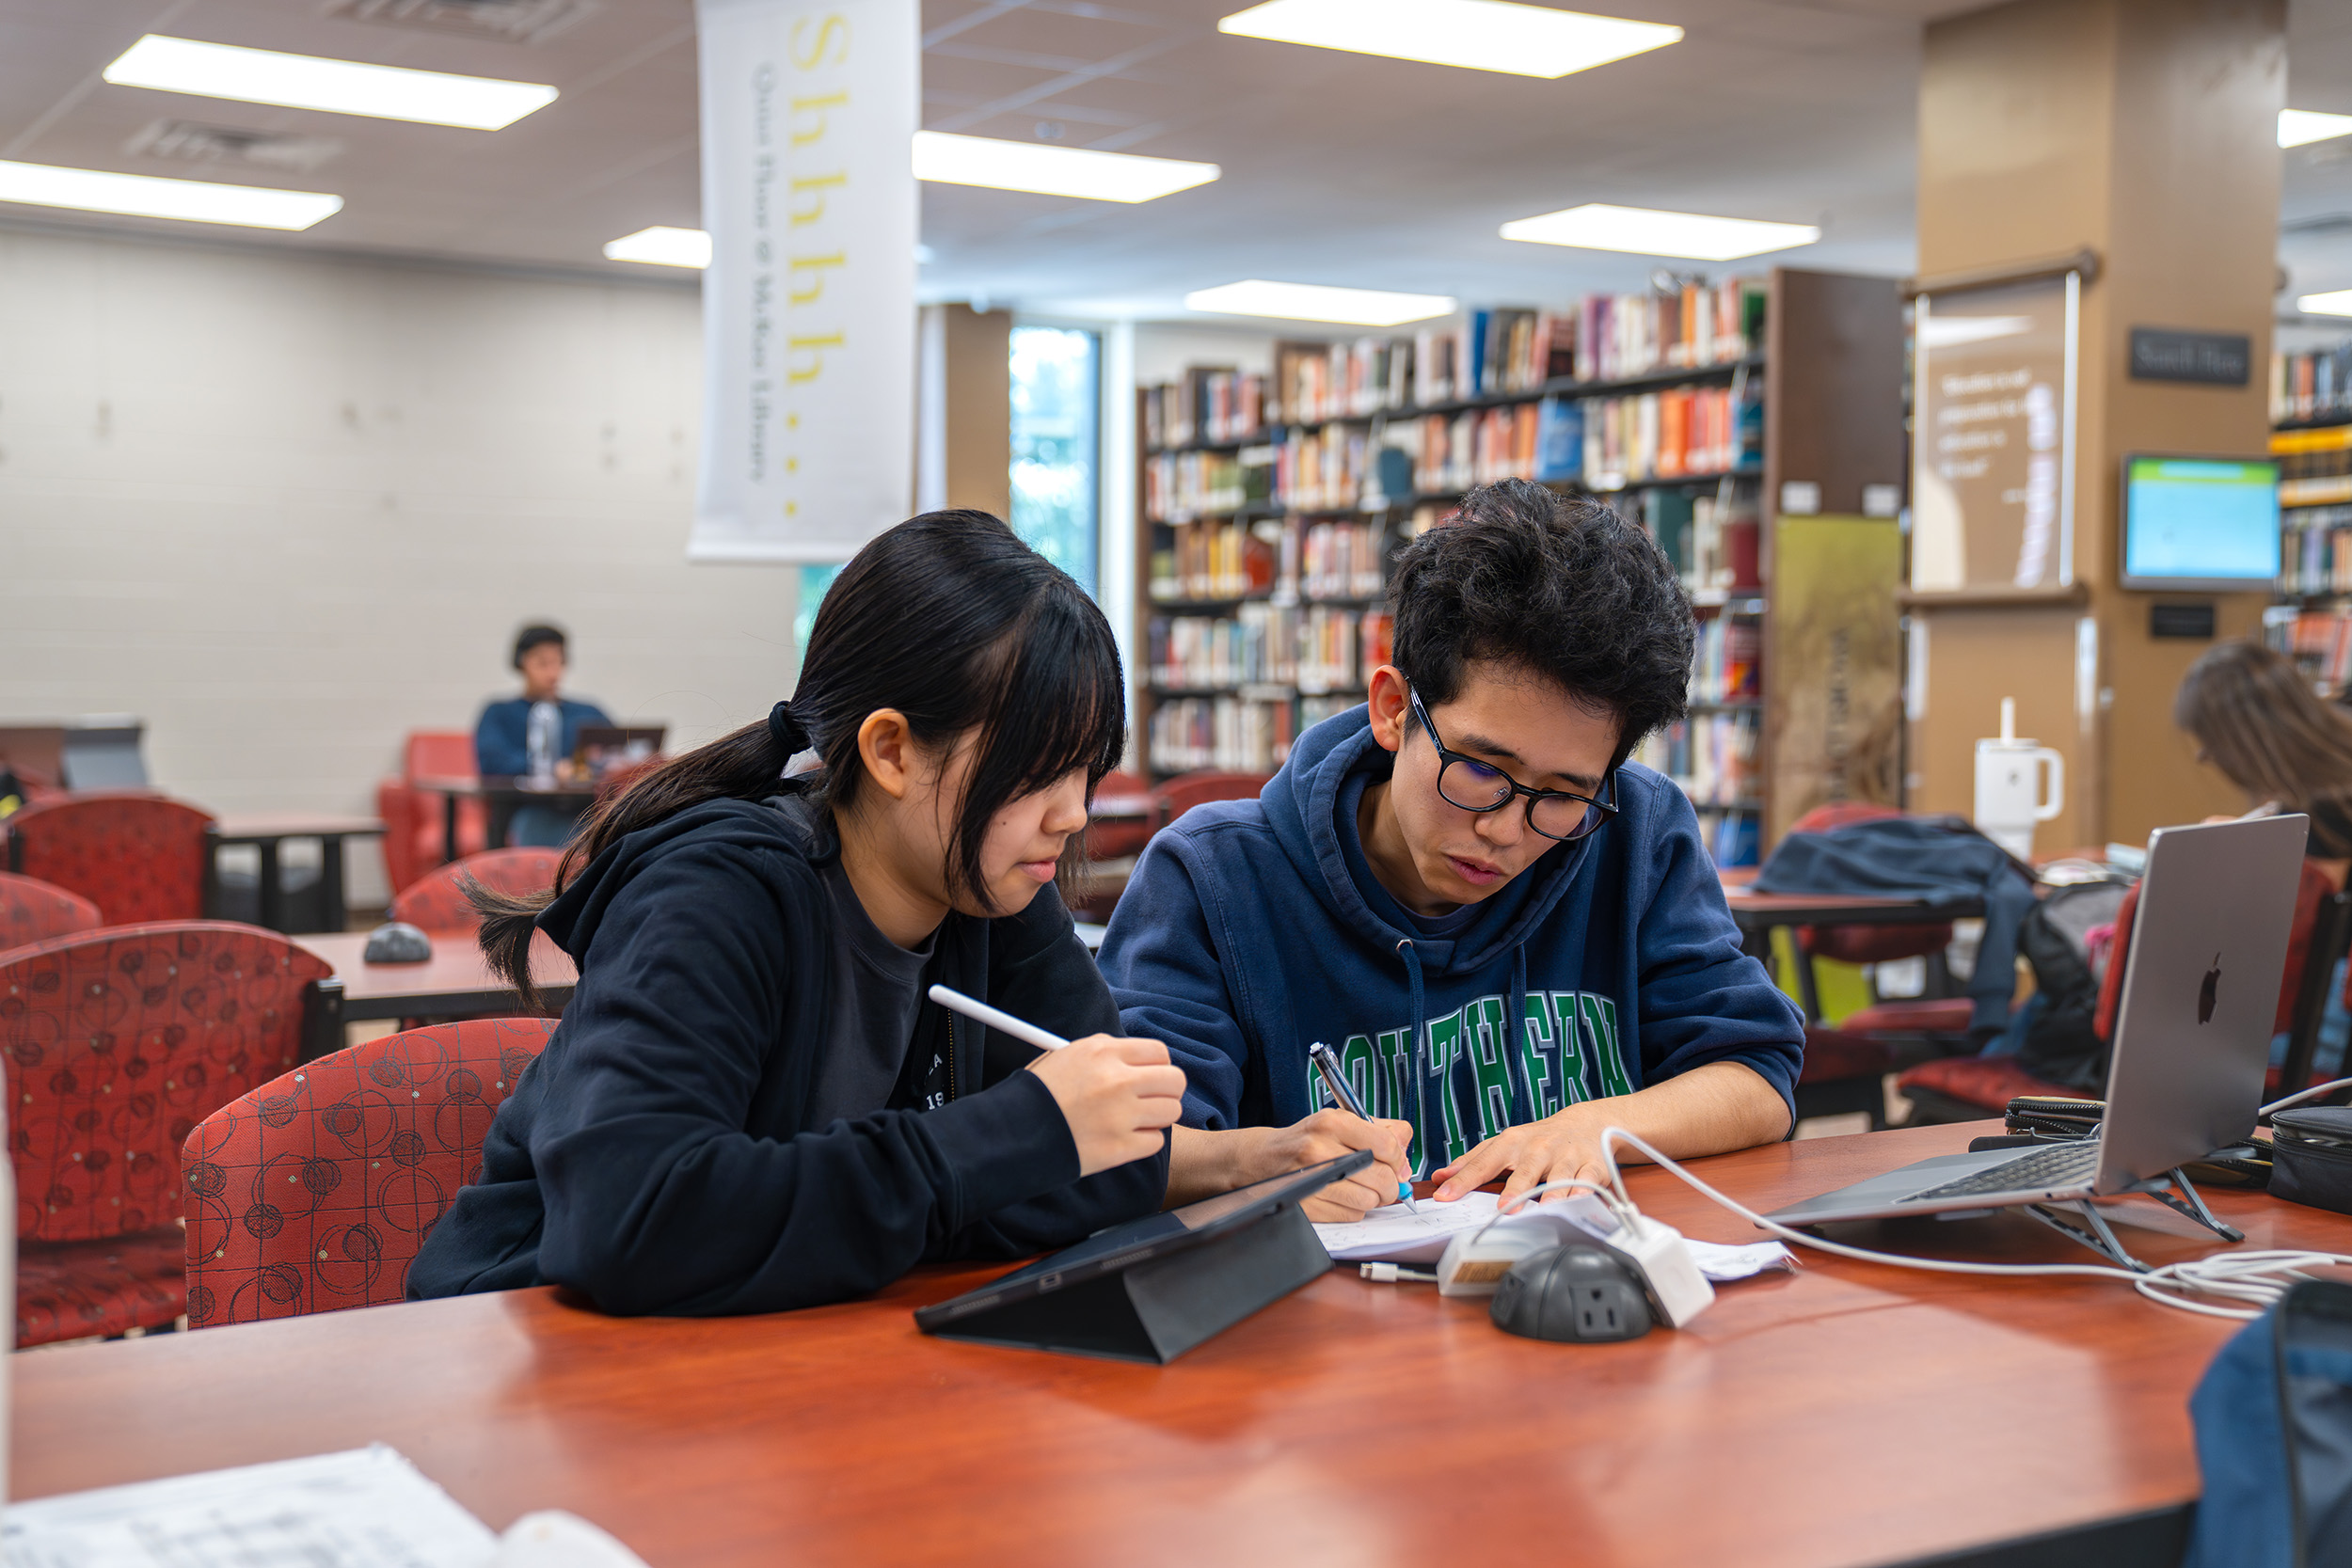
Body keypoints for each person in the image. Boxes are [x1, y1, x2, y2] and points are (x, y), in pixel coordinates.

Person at [410, 512, 1185, 1315]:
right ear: (891, 751)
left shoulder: (989, 883)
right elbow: (631, 1220)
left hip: (776, 1353)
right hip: (532, 1348)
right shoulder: (717, 891)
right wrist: (1006, 1145)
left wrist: (935, 1187)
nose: (1072, 814)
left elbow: (1126, 1157)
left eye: (1088, 770)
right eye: (1040, 771)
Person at [1099, 480, 1804, 1222]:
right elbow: (1131, 1153)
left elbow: (1758, 1075)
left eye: (1563, 794)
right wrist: (1262, 1163)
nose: (1505, 829)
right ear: (1394, 710)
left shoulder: (1638, 832)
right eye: (1480, 768)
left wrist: (1598, 1125)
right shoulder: (1214, 879)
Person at [473, 624, 614, 847]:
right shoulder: (499, 713)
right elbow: (492, 763)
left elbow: (617, 753)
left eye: (558, 662)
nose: (552, 672)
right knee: (542, 826)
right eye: (542, 663)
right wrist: (552, 769)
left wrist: (585, 769)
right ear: (521, 664)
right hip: (526, 811)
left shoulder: (588, 712)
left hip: (586, 811)